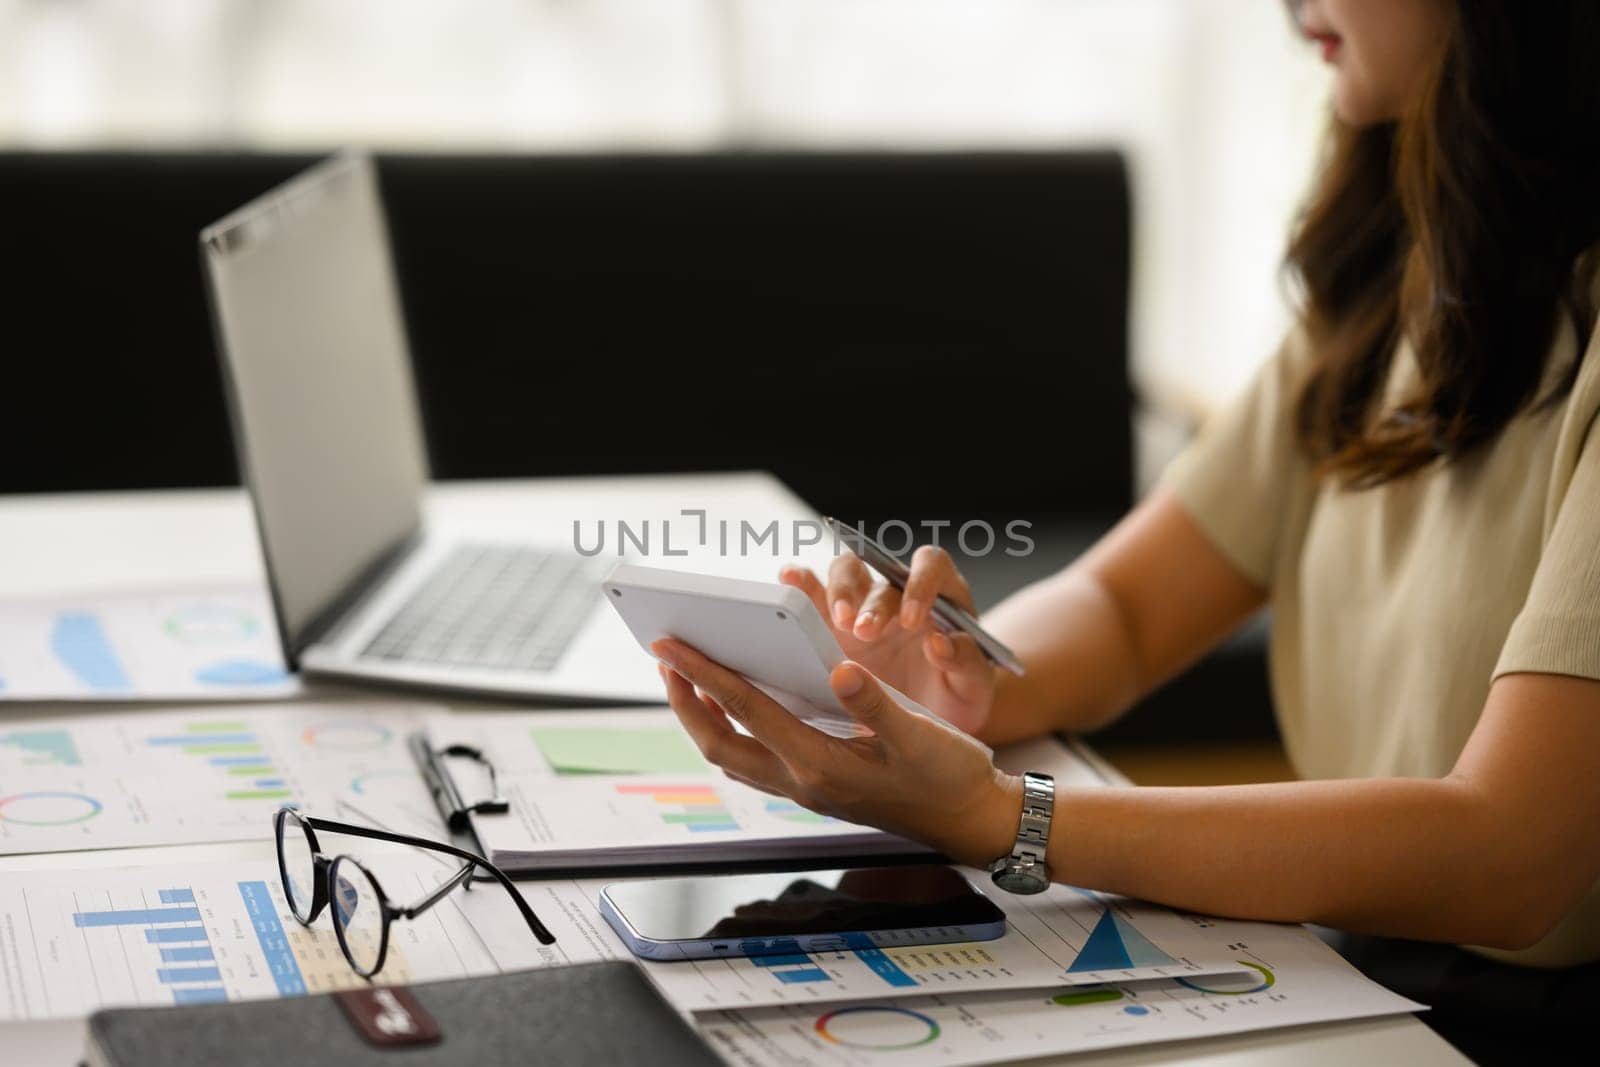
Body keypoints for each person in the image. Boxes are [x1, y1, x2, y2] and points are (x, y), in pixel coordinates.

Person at [655, 1, 1600, 1060]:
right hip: (1363, 952)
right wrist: (960, 677)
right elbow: (1130, 604)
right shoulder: (1397, 286)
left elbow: (1511, 857)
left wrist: (1001, 813)